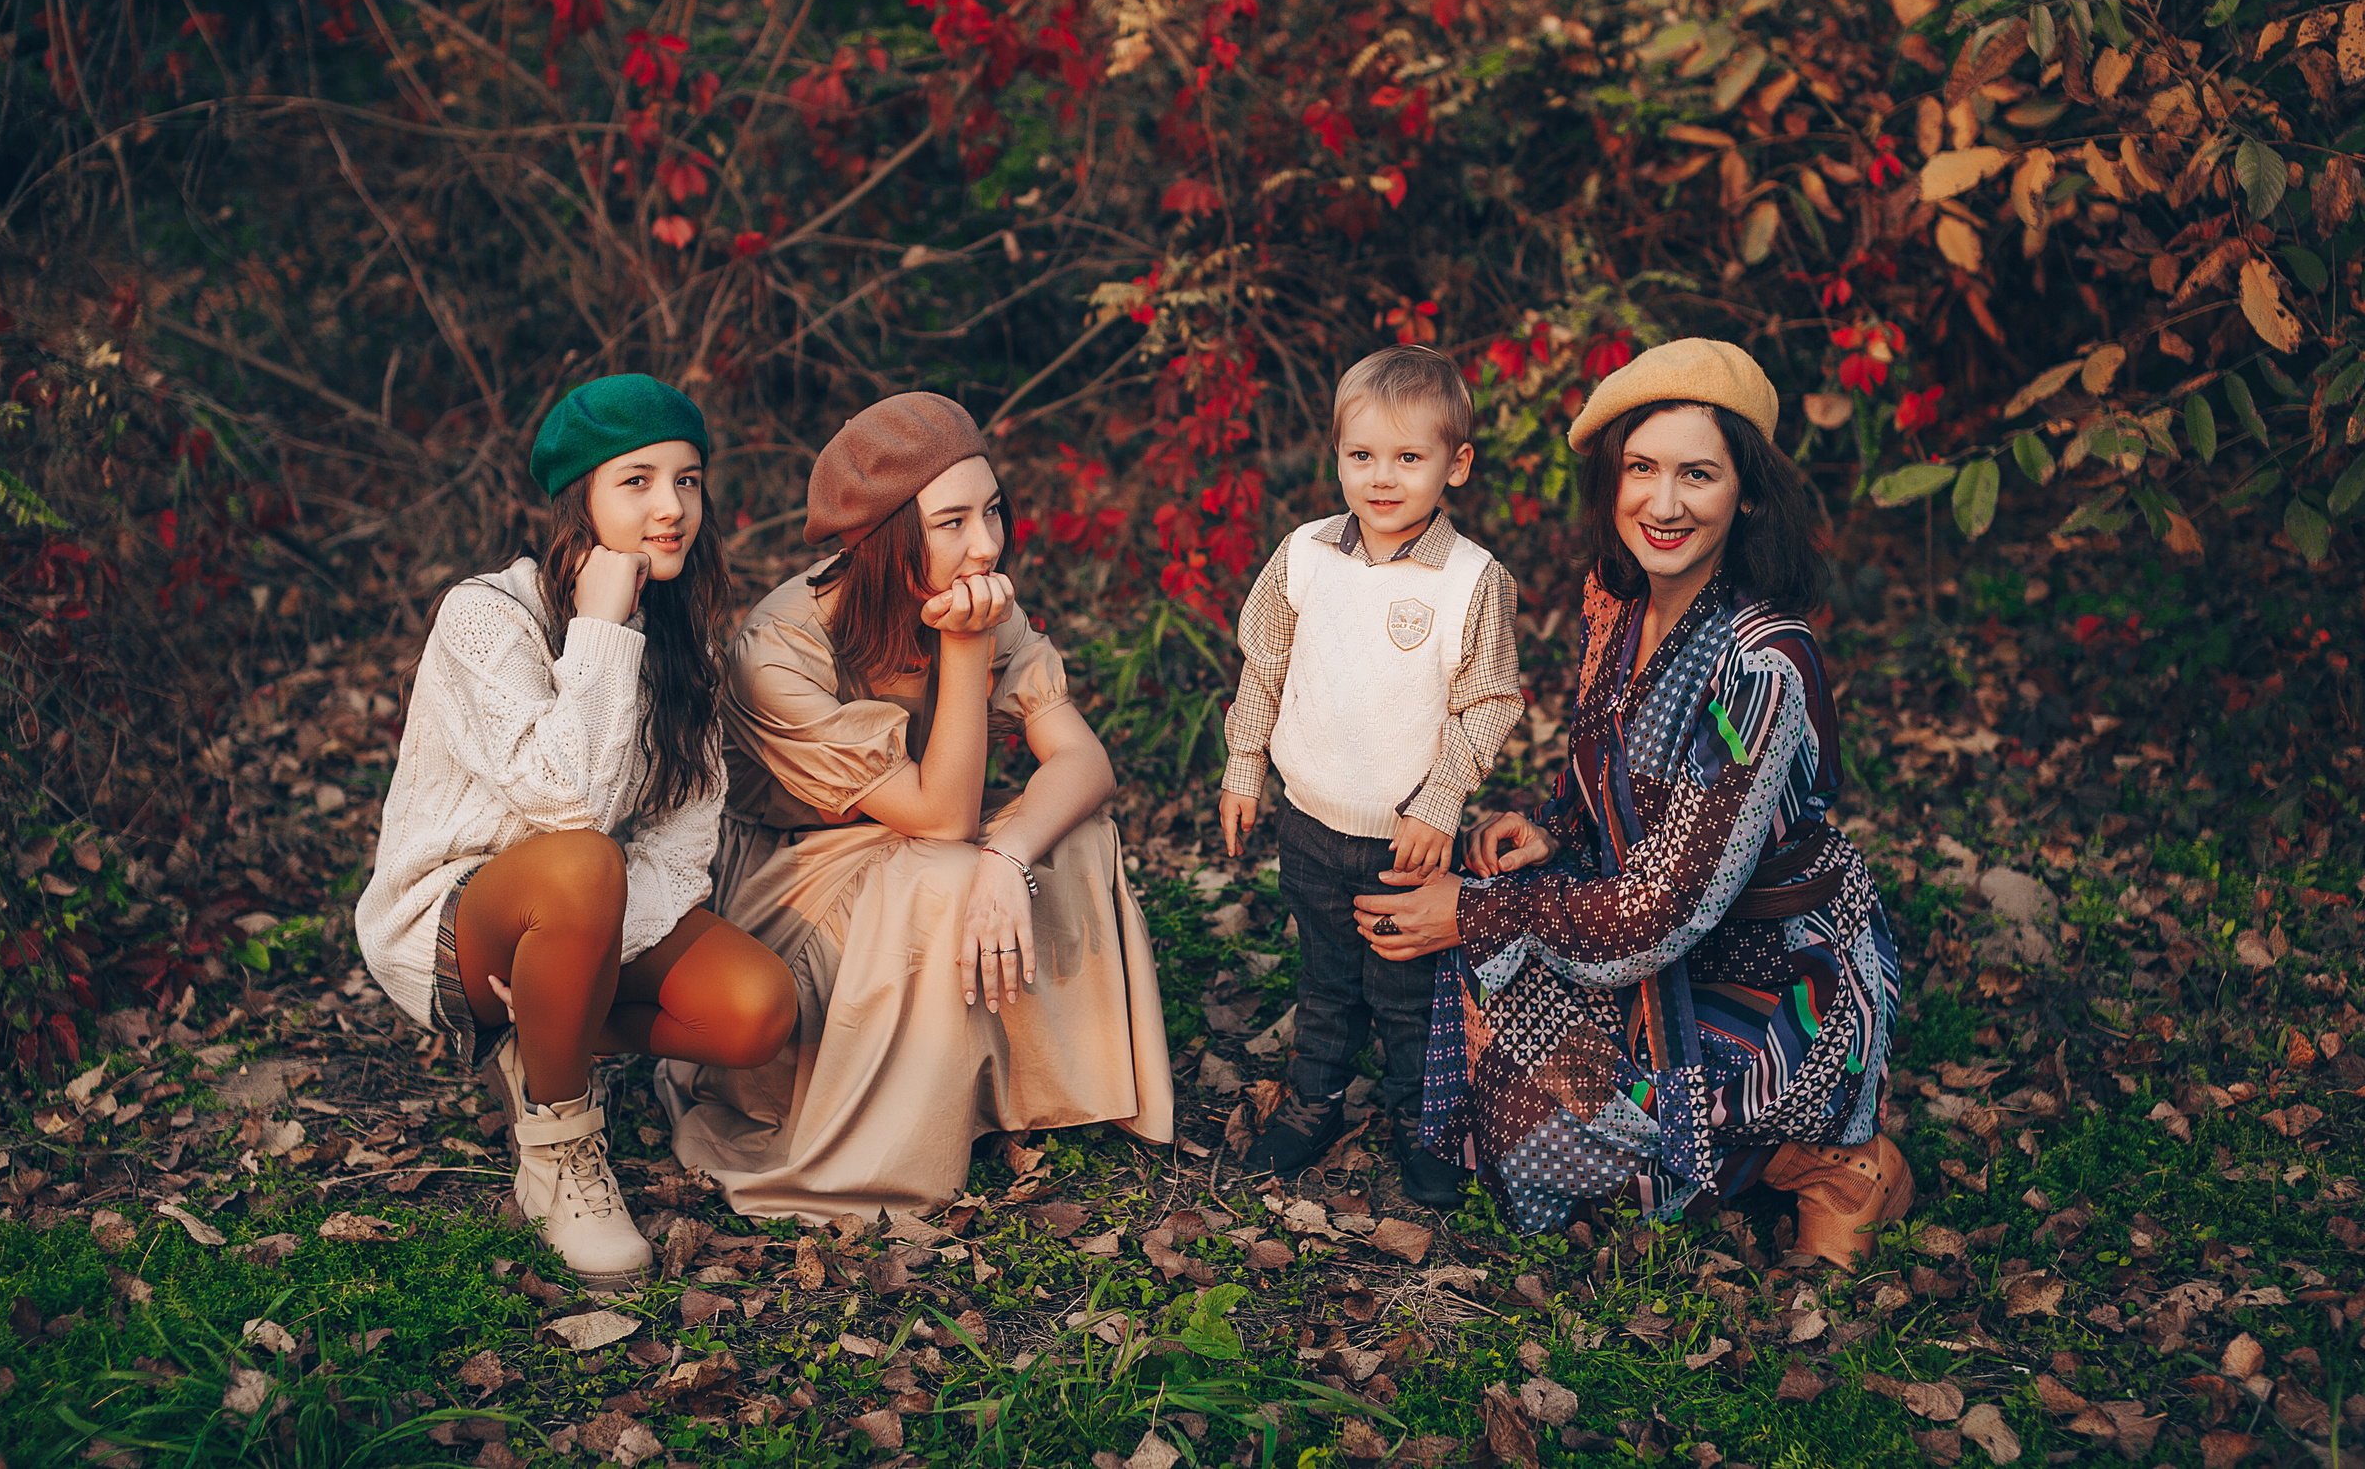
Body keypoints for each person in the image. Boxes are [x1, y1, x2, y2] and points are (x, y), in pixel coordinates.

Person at [1351, 339, 1911, 1268]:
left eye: (1698, 473)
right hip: (1644, 936)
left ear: (1749, 492)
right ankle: (1716, 1145)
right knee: (1494, 1045)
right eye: (1641, 469)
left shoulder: (1760, 666)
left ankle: (1824, 1154)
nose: (1664, 502)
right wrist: (1546, 831)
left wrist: (1475, 911)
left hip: (1766, 977)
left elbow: (1666, 909)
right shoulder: (1619, 604)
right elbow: (1600, 785)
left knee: (1540, 1123)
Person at [657, 392, 1172, 1222]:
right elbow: (943, 818)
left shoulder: (969, 593)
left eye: (994, 511)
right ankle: (892, 1129)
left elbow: (1083, 759)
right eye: (953, 522)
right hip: (792, 886)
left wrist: (1011, 854)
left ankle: (1019, 1090)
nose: (987, 543)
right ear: (888, 536)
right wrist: (964, 650)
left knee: (1067, 836)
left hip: (926, 841)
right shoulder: (778, 648)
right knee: (948, 867)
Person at [355, 375, 798, 1292]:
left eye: (689, 480)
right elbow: (569, 804)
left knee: (759, 1006)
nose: (671, 508)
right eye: (636, 482)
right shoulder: (486, 616)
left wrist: (585, 964)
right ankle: (560, 1149)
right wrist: (599, 626)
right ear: (580, 499)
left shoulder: (685, 648)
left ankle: (548, 1033)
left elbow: (681, 839)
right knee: (585, 859)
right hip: (452, 922)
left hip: (579, 907)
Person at [1217, 345, 1523, 1209]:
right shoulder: (1305, 555)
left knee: (1404, 993)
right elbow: (1263, 664)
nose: (1382, 479)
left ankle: (1418, 1122)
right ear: (1338, 455)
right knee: (1326, 977)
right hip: (1310, 821)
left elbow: (1490, 701)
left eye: (1409, 457)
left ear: (1455, 464)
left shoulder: (1472, 580)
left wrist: (1440, 799)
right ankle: (1312, 1100)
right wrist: (1244, 764)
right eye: (1362, 456)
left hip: (1406, 838)